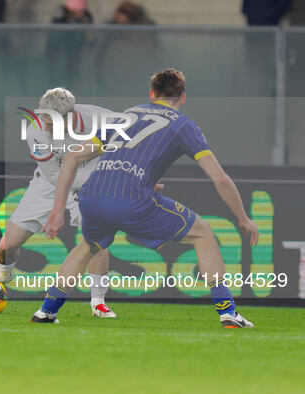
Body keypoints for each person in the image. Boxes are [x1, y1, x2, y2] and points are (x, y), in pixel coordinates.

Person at [32, 68, 259, 328]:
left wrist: (58, 210)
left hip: (92, 195)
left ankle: (46, 311)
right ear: (182, 98)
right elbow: (219, 178)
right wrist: (243, 218)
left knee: (88, 245)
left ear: (152, 94)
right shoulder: (183, 125)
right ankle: (227, 312)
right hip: (131, 198)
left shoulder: (127, 115)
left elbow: (72, 158)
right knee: (203, 233)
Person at [0, 88, 117, 317]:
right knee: (7, 245)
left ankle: (98, 301)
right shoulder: (36, 131)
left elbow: (132, 135)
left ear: (70, 116)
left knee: (97, 239)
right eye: (44, 120)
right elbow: (53, 175)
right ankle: (2, 276)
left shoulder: (98, 119)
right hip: (49, 183)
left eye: (52, 124)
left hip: (89, 180)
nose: (46, 128)